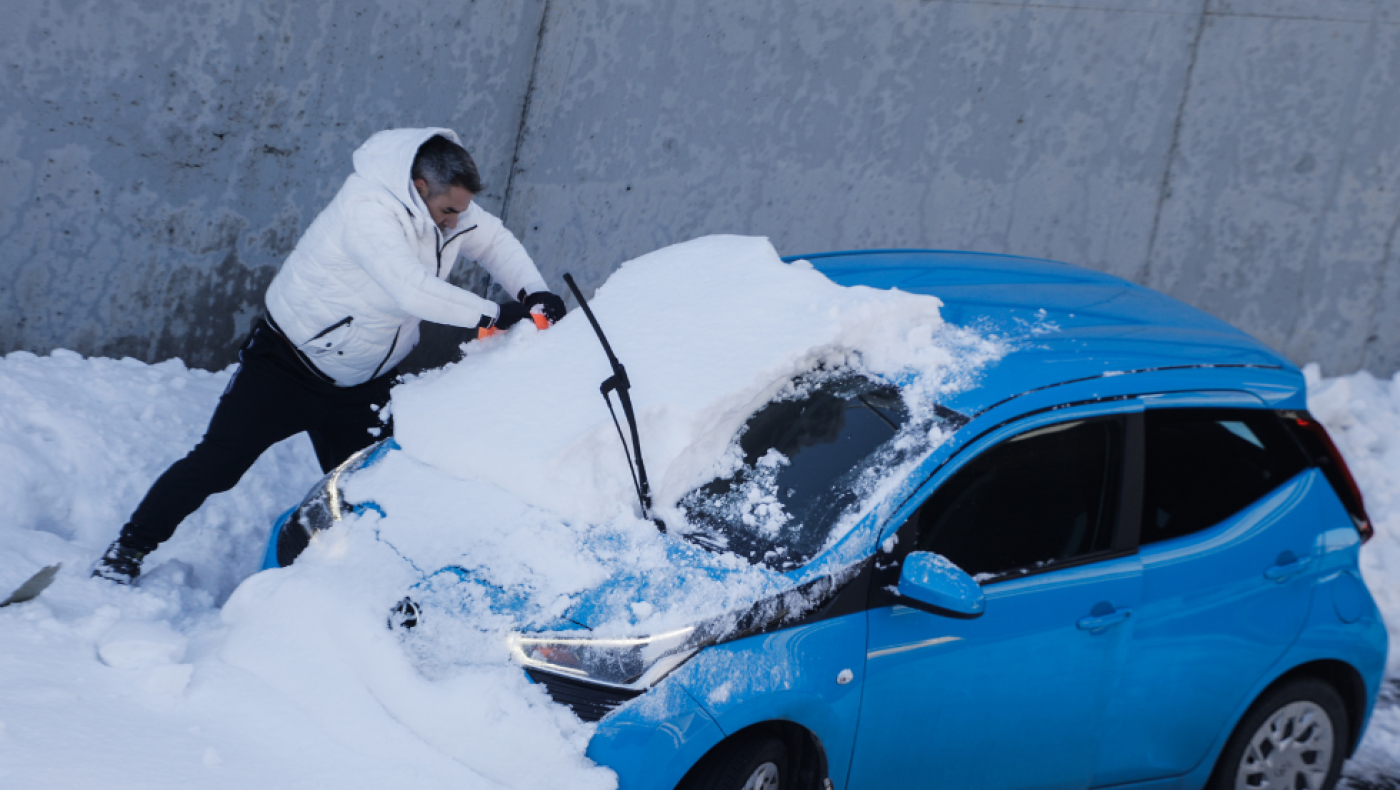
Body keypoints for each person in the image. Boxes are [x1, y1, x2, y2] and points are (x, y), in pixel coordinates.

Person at [93, 127, 566, 583]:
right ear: (418, 187)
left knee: (383, 485)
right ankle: (129, 548)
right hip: (286, 369)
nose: (454, 221)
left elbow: (495, 240)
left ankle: (357, 586)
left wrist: (535, 293)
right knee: (218, 464)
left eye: (460, 212)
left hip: (364, 384)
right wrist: (495, 315)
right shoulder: (367, 209)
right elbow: (412, 291)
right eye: (446, 210)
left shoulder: (447, 208)